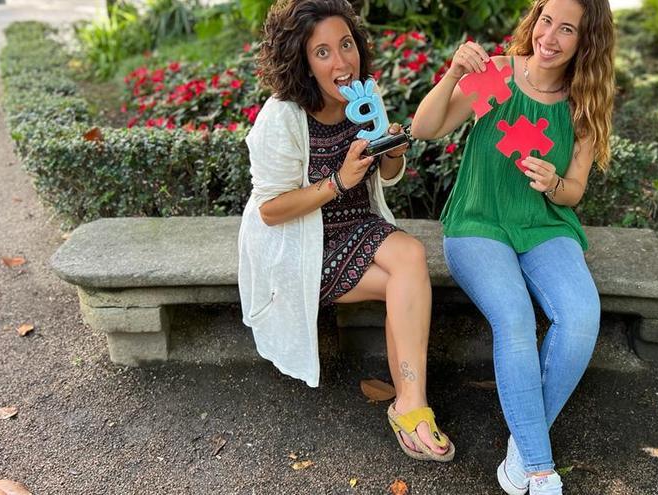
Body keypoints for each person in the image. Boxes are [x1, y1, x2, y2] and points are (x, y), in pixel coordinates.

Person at [237, 0, 454, 462]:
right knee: (406, 282)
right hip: (304, 245)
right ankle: (411, 409)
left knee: (411, 257)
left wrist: (391, 151)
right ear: (302, 61)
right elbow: (271, 211)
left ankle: (410, 402)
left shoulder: (363, 101)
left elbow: (386, 176)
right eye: (323, 52)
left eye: (346, 45)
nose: (341, 62)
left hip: (360, 227)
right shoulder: (281, 117)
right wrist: (337, 182)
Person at [411, 0, 614, 491]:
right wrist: (453, 73)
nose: (551, 36)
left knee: (582, 315)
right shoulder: (499, 74)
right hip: (480, 221)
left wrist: (552, 183)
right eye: (547, 21)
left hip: (544, 226)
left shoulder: (582, 104)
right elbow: (425, 129)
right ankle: (541, 470)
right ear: (535, 20)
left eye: (568, 29)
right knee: (516, 318)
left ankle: (522, 446)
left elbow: (574, 190)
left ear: (586, 42)